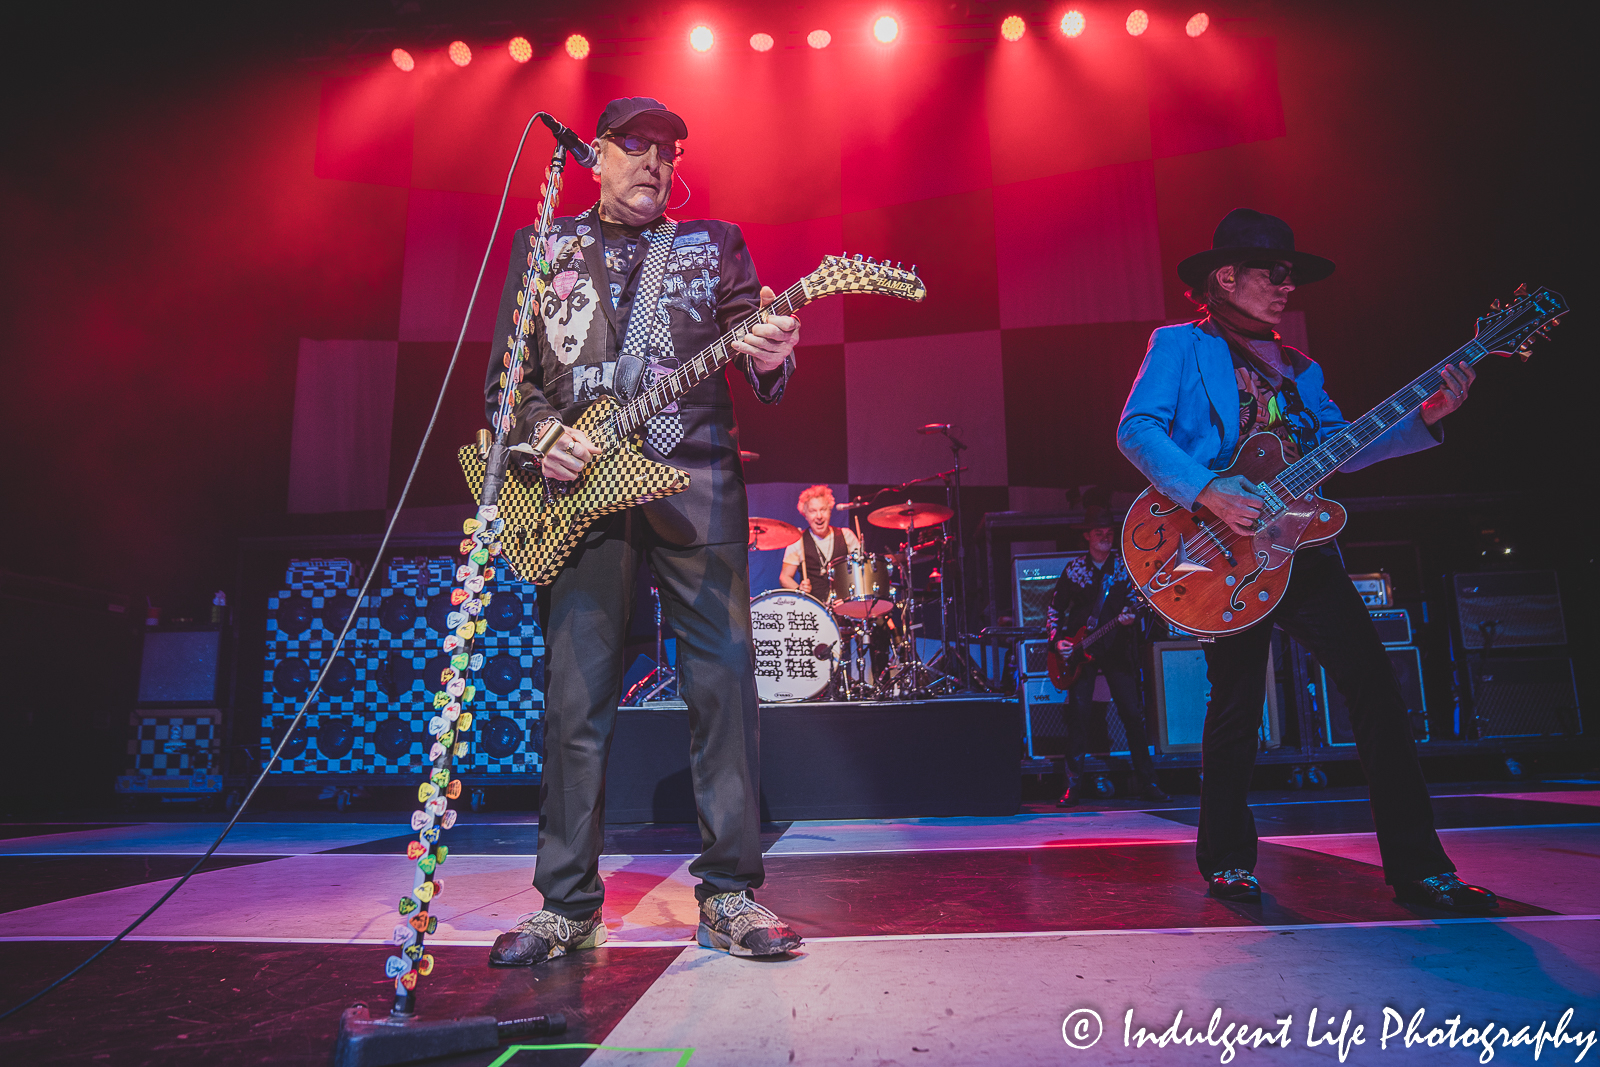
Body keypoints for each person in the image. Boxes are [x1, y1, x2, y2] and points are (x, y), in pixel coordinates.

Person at [481, 96, 804, 965]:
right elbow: (507, 385)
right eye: (634, 146)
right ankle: (566, 905)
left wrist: (774, 355)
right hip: (578, 499)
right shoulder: (544, 248)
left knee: (724, 687)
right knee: (576, 698)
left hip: (695, 486)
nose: (653, 162)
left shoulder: (713, 245)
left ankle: (730, 894)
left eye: (666, 150)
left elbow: (756, 343)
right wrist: (542, 436)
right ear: (595, 155)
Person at [1117, 207, 1496, 911]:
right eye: (1274, 273)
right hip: (1219, 547)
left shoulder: (1300, 369)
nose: (1287, 287)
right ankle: (1228, 861)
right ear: (1225, 278)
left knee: (1378, 692)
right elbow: (1136, 429)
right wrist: (1208, 489)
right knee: (1234, 706)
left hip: (1299, 547)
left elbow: (1344, 448)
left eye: (1291, 276)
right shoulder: (1178, 344)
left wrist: (1426, 417)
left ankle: (1420, 868)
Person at [1047, 506, 1168, 805]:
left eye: (1109, 533)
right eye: (1098, 533)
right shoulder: (1074, 569)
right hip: (1079, 651)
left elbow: (1138, 604)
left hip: (1117, 649)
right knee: (1079, 717)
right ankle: (1072, 786)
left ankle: (1149, 782)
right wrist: (1057, 641)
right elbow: (1053, 609)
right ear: (1087, 536)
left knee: (1132, 715)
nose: (1104, 538)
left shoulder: (1124, 568)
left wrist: (1132, 618)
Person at [778, 484, 859, 599]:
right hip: (814, 608)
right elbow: (784, 577)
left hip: (845, 605)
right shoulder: (798, 540)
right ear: (805, 514)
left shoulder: (847, 535)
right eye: (813, 511)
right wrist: (799, 590)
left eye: (823, 510)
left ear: (830, 511)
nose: (819, 516)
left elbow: (862, 570)